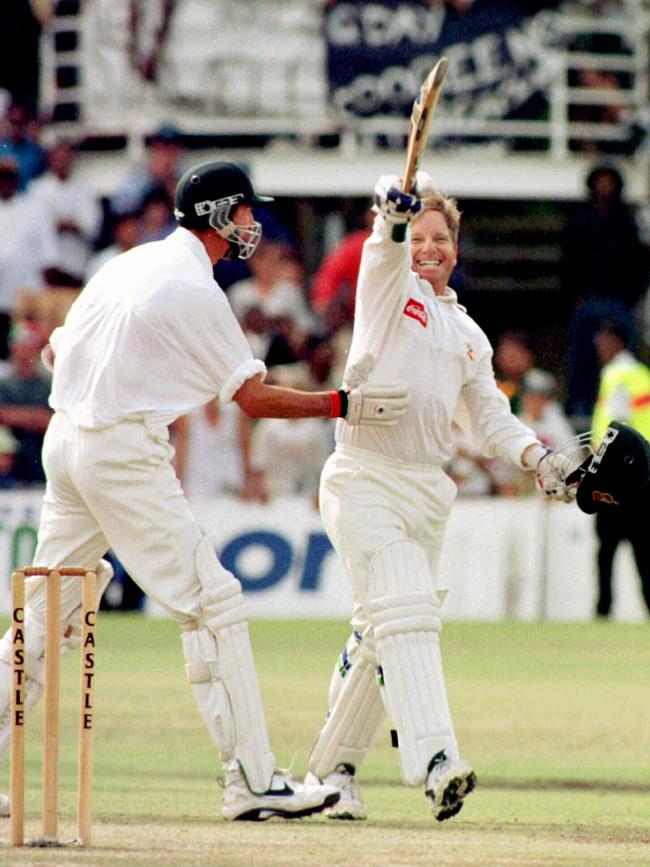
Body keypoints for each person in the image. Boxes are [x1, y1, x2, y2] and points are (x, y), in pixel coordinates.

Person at [0, 160, 410, 822]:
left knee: (44, 615)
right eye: (246, 212)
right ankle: (251, 778)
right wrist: (346, 403)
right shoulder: (194, 288)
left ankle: (248, 776)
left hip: (68, 439)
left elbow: (57, 347)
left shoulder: (129, 263)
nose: (253, 224)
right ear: (220, 216)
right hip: (118, 449)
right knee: (214, 603)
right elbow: (254, 399)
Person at [303, 171, 572, 822]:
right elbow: (381, 257)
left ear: (455, 245)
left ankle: (328, 772)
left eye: (438, 237)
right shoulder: (388, 288)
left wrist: (540, 457)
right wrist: (388, 221)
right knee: (409, 612)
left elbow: (489, 419)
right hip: (364, 474)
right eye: (417, 236)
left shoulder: (469, 333)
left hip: (426, 490)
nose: (427, 248)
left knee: (382, 630)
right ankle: (436, 760)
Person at [562, 164, 648, 427]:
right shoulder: (580, 219)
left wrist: (629, 298)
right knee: (582, 357)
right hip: (587, 302)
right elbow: (568, 260)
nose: (604, 187)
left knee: (623, 359)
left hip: (618, 302)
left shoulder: (625, 221)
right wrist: (575, 296)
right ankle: (580, 405)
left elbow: (639, 263)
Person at [590, 322, 650, 618]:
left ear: (616, 343)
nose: (599, 349)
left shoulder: (617, 375)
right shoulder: (642, 374)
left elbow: (618, 424)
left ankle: (603, 611)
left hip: (617, 477)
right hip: (643, 476)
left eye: (603, 342)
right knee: (644, 551)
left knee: (606, 550)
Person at [26, 138, 103, 288]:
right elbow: (35, 227)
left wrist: (66, 225)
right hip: (46, 269)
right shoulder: (37, 189)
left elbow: (91, 225)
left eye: (66, 157)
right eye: (58, 157)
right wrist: (61, 225)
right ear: (50, 159)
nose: (62, 161)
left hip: (77, 265)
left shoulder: (85, 190)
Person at [0, 320, 53, 486]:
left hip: (42, 459)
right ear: (12, 346)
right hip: (11, 464)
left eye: (30, 346)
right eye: (20, 345)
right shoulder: (4, 384)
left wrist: (17, 416)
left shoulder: (49, 384)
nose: (24, 351)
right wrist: (34, 417)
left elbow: (51, 420)